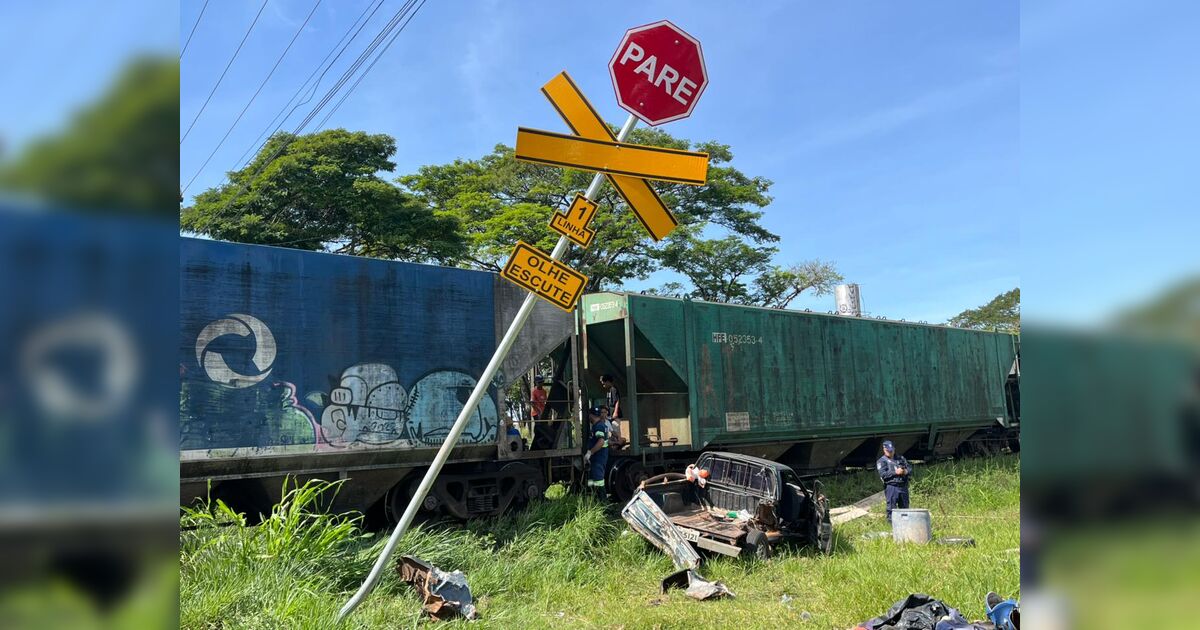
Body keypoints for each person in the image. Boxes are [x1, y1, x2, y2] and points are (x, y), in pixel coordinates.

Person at [876, 440, 911, 523]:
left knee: (905, 507)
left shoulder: (901, 458)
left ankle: (905, 524)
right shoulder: (882, 461)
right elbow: (883, 474)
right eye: (888, 450)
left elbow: (910, 468)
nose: (890, 452)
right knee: (891, 508)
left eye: (891, 450)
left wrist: (905, 471)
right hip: (891, 487)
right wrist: (895, 472)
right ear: (884, 450)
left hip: (903, 486)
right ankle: (891, 525)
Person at [583, 405, 609, 501]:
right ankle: (594, 500)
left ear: (591, 415)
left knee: (598, 481)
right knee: (591, 480)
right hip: (596, 459)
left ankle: (604, 505)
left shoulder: (598, 426)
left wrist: (590, 452)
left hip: (598, 459)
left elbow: (601, 442)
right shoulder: (599, 425)